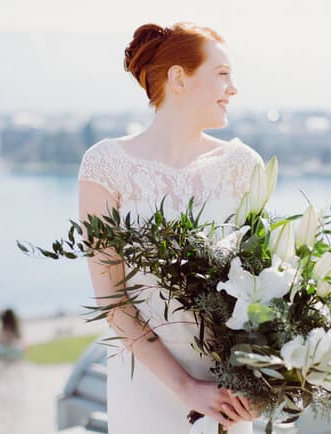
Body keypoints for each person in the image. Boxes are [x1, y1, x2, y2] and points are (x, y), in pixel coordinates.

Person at [78, 22, 264, 434]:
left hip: (226, 390)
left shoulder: (243, 165)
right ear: (179, 78)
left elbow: (262, 287)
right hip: (143, 381)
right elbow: (112, 299)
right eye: (222, 74)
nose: (233, 89)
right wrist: (186, 388)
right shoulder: (105, 165)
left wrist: (259, 385)